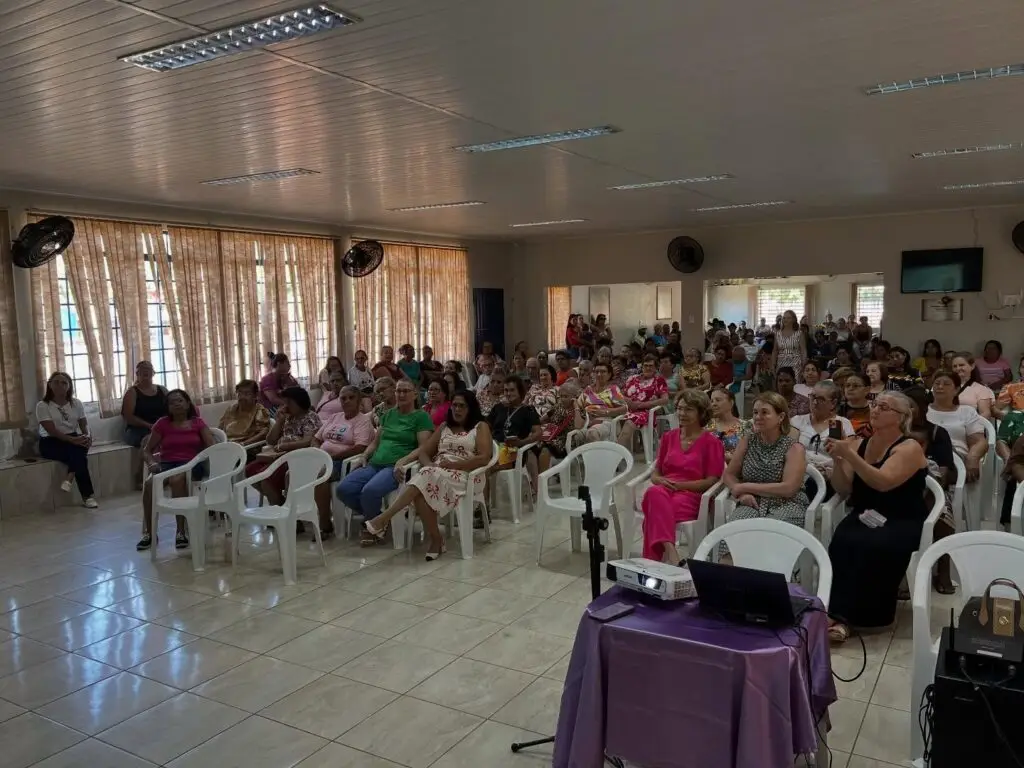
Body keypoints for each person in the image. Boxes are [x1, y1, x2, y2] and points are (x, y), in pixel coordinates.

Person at [825, 392, 930, 641]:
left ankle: (868, 617)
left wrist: (849, 455)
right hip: (865, 513)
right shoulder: (859, 444)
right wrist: (839, 461)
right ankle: (838, 613)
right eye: (875, 404)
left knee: (874, 544)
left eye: (884, 407)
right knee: (843, 538)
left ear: (901, 417)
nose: (875, 410)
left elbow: (883, 482)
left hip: (901, 518)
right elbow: (843, 488)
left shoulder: (909, 446)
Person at [364, 391, 493, 559]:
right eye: (454, 405)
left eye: (462, 406)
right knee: (422, 487)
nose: (457, 409)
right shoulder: (445, 426)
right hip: (437, 472)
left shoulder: (480, 426)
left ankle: (384, 519)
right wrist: (430, 465)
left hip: (467, 475)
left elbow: (484, 458)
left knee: (423, 481)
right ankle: (436, 539)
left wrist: (454, 465)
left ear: (470, 408)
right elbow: (424, 452)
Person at [338, 379, 433, 546]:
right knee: (343, 489)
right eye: (398, 391)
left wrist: (403, 460)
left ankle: (373, 528)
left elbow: (423, 447)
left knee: (370, 491)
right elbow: (375, 442)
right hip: (375, 463)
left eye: (406, 391)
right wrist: (364, 456)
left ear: (415, 394)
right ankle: (378, 518)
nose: (401, 394)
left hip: (395, 467)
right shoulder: (388, 415)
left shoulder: (421, 417)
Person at [641, 390, 725, 563]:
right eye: (679, 409)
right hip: (664, 491)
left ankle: (652, 563)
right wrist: (659, 480)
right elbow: (656, 472)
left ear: (701, 412)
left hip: (691, 496)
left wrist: (681, 487)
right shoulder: (668, 437)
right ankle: (670, 550)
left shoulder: (712, 443)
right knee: (653, 493)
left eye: (688, 409)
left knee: (653, 511)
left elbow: (711, 481)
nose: (681, 413)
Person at [136, 389, 215, 550]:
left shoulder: (197, 422)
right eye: (172, 402)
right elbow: (146, 450)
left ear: (187, 404)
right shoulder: (162, 424)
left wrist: (200, 459)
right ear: (168, 407)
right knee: (150, 484)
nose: (176, 404)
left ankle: (180, 531)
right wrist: (151, 463)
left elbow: (211, 446)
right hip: (166, 464)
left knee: (177, 480)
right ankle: (150, 533)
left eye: (180, 400)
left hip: (191, 464)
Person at [722, 391, 809, 528]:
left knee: (770, 532)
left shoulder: (794, 448)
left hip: (786, 503)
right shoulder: (748, 441)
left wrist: (745, 486)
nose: (758, 417)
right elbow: (729, 474)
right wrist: (741, 493)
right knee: (734, 532)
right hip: (752, 501)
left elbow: (788, 488)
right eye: (755, 412)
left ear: (780, 417)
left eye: (764, 413)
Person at [905, 386, 958, 592]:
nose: (909, 410)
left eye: (913, 405)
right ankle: (902, 571)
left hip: (933, 486)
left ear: (925, 407)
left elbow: (944, 471)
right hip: (899, 484)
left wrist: (929, 486)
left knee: (939, 508)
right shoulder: (897, 431)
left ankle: (943, 569)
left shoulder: (937, 433)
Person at [243, 387, 322, 515]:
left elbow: (307, 442)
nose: (285, 406)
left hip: (297, 457)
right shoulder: (288, 418)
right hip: (279, 455)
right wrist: (279, 421)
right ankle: (281, 503)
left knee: (266, 479)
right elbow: (270, 440)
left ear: (299, 402)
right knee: (250, 470)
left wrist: (285, 446)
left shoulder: (310, 417)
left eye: (289, 403)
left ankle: (280, 513)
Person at [312, 386, 373, 538]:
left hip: (341, 462)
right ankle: (297, 518)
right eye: (343, 398)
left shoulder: (362, 421)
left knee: (320, 477)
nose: (347, 401)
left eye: (351, 398)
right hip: (321, 458)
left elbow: (360, 447)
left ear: (358, 400)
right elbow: (316, 438)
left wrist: (332, 458)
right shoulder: (335, 417)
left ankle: (325, 524)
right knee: (291, 473)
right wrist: (316, 452)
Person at [36, 372, 97, 509]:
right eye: (56, 382)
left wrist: (87, 435)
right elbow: (51, 430)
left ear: (69, 386)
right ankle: (87, 496)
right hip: (50, 441)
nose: (60, 385)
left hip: (72, 437)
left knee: (79, 448)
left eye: (64, 383)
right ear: (50, 385)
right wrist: (73, 440)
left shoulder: (76, 403)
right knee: (80, 455)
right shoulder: (43, 405)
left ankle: (70, 477)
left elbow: (84, 424)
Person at [927, 370, 988, 484]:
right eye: (937, 383)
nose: (940, 386)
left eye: (946, 384)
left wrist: (973, 457)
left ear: (956, 390)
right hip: (927, 456)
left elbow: (979, 442)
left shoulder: (966, 411)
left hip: (956, 459)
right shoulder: (923, 410)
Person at [488, 376, 542, 499]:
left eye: (512, 390)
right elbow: (485, 426)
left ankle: (482, 505)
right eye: (506, 390)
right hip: (493, 446)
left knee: (485, 468)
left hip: (512, 450)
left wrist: (522, 442)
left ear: (520, 392)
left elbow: (538, 433)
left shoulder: (528, 410)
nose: (508, 393)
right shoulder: (498, 408)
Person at [790, 381, 854, 484]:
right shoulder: (797, 421)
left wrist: (831, 471)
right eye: (813, 397)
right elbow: (789, 450)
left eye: (820, 399)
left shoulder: (843, 423)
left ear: (833, 403)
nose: (814, 402)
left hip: (830, 478)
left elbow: (848, 456)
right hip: (800, 473)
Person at [577, 361, 633, 445]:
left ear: (609, 374)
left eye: (603, 372)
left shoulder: (612, 389)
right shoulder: (588, 390)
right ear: (593, 374)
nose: (599, 374)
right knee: (576, 436)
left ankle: (599, 458)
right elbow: (578, 405)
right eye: (597, 372)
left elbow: (624, 408)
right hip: (588, 422)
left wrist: (606, 412)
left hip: (607, 422)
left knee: (592, 433)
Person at [535, 382, 584, 473]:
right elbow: (542, 419)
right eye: (561, 396)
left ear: (574, 397)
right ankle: (538, 479)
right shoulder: (558, 406)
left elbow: (578, 426)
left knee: (545, 449)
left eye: (565, 396)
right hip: (551, 437)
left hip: (565, 442)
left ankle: (541, 481)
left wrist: (576, 406)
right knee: (532, 447)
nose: (562, 399)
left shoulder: (579, 410)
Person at [121, 360, 168, 447]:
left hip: (160, 427)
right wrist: (150, 426)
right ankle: (150, 460)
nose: (145, 371)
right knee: (151, 439)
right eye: (142, 369)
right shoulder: (132, 392)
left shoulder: (162, 390)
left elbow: (171, 409)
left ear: (153, 373)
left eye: (148, 368)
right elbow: (128, 417)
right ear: (137, 374)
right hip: (137, 430)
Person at [623, 355, 670, 432]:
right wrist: (629, 402)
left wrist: (641, 405)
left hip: (645, 412)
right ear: (642, 367)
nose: (648, 368)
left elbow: (665, 400)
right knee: (613, 421)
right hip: (627, 409)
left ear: (655, 368)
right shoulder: (632, 378)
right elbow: (621, 395)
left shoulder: (659, 380)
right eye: (646, 365)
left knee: (628, 424)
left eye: (651, 366)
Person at [218, 380, 272, 447]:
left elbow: (264, 433)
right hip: (227, 445)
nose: (242, 397)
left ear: (255, 396)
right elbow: (220, 429)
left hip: (246, 448)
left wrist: (244, 444)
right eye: (239, 393)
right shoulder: (231, 409)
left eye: (247, 394)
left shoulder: (259, 411)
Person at [707, 387, 749, 462]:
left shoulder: (745, 426)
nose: (713, 404)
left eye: (718, 400)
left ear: (731, 403)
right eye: (712, 401)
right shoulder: (706, 426)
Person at [951, 354, 995, 419]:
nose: (958, 368)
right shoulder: (945, 386)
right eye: (955, 366)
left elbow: (985, 413)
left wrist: (970, 424)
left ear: (972, 366)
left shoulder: (981, 389)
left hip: (970, 425)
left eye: (961, 365)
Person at [770, 310, 806, 375]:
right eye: (784, 318)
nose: (785, 320)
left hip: (796, 365)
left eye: (788, 318)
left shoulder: (799, 333)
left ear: (794, 319)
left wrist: (804, 365)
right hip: (781, 364)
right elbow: (775, 351)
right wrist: (773, 365)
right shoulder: (777, 334)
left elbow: (803, 351)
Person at [839, 372, 872, 438]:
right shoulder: (836, 409)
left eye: (855, 386)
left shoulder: (875, 410)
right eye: (847, 385)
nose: (850, 388)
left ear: (867, 390)